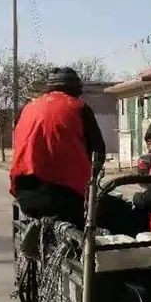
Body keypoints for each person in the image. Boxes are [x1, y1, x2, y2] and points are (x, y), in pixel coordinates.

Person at [10, 67, 105, 227]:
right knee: (97, 218)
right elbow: (98, 152)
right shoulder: (79, 107)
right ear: (75, 88)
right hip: (65, 195)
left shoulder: (27, 108)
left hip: (24, 192)